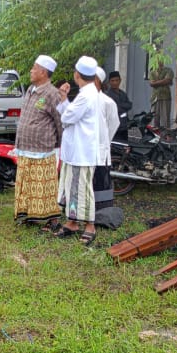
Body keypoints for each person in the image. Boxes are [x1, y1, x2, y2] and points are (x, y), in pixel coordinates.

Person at [14, 54, 64, 227]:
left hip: (43, 149)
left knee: (43, 185)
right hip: (25, 147)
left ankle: (51, 218)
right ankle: (30, 215)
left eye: (34, 68)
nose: (31, 71)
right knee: (27, 184)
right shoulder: (30, 89)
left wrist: (59, 145)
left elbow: (60, 121)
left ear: (43, 72)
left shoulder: (52, 93)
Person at [58, 55, 101, 245]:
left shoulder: (86, 95)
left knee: (83, 189)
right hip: (75, 150)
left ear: (77, 74)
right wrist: (64, 100)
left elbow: (67, 118)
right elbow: (69, 114)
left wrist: (64, 105)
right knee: (72, 187)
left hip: (82, 151)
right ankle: (72, 221)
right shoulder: (88, 92)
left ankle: (90, 225)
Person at [92, 67, 119, 226]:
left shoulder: (107, 102)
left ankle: (101, 214)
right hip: (85, 152)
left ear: (97, 81)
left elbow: (114, 124)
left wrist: (103, 142)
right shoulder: (83, 100)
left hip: (101, 151)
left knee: (101, 181)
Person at [148, 62, 175, 129]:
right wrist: (163, 81)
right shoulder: (152, 72)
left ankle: (166, 136)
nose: (158, 61)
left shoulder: (169, 70)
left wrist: (156, 82)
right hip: (155, 97)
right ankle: (155, 135)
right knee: (154, 118)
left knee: (165, 119)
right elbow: (151, 84)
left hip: (165, 96)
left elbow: (168, 81)